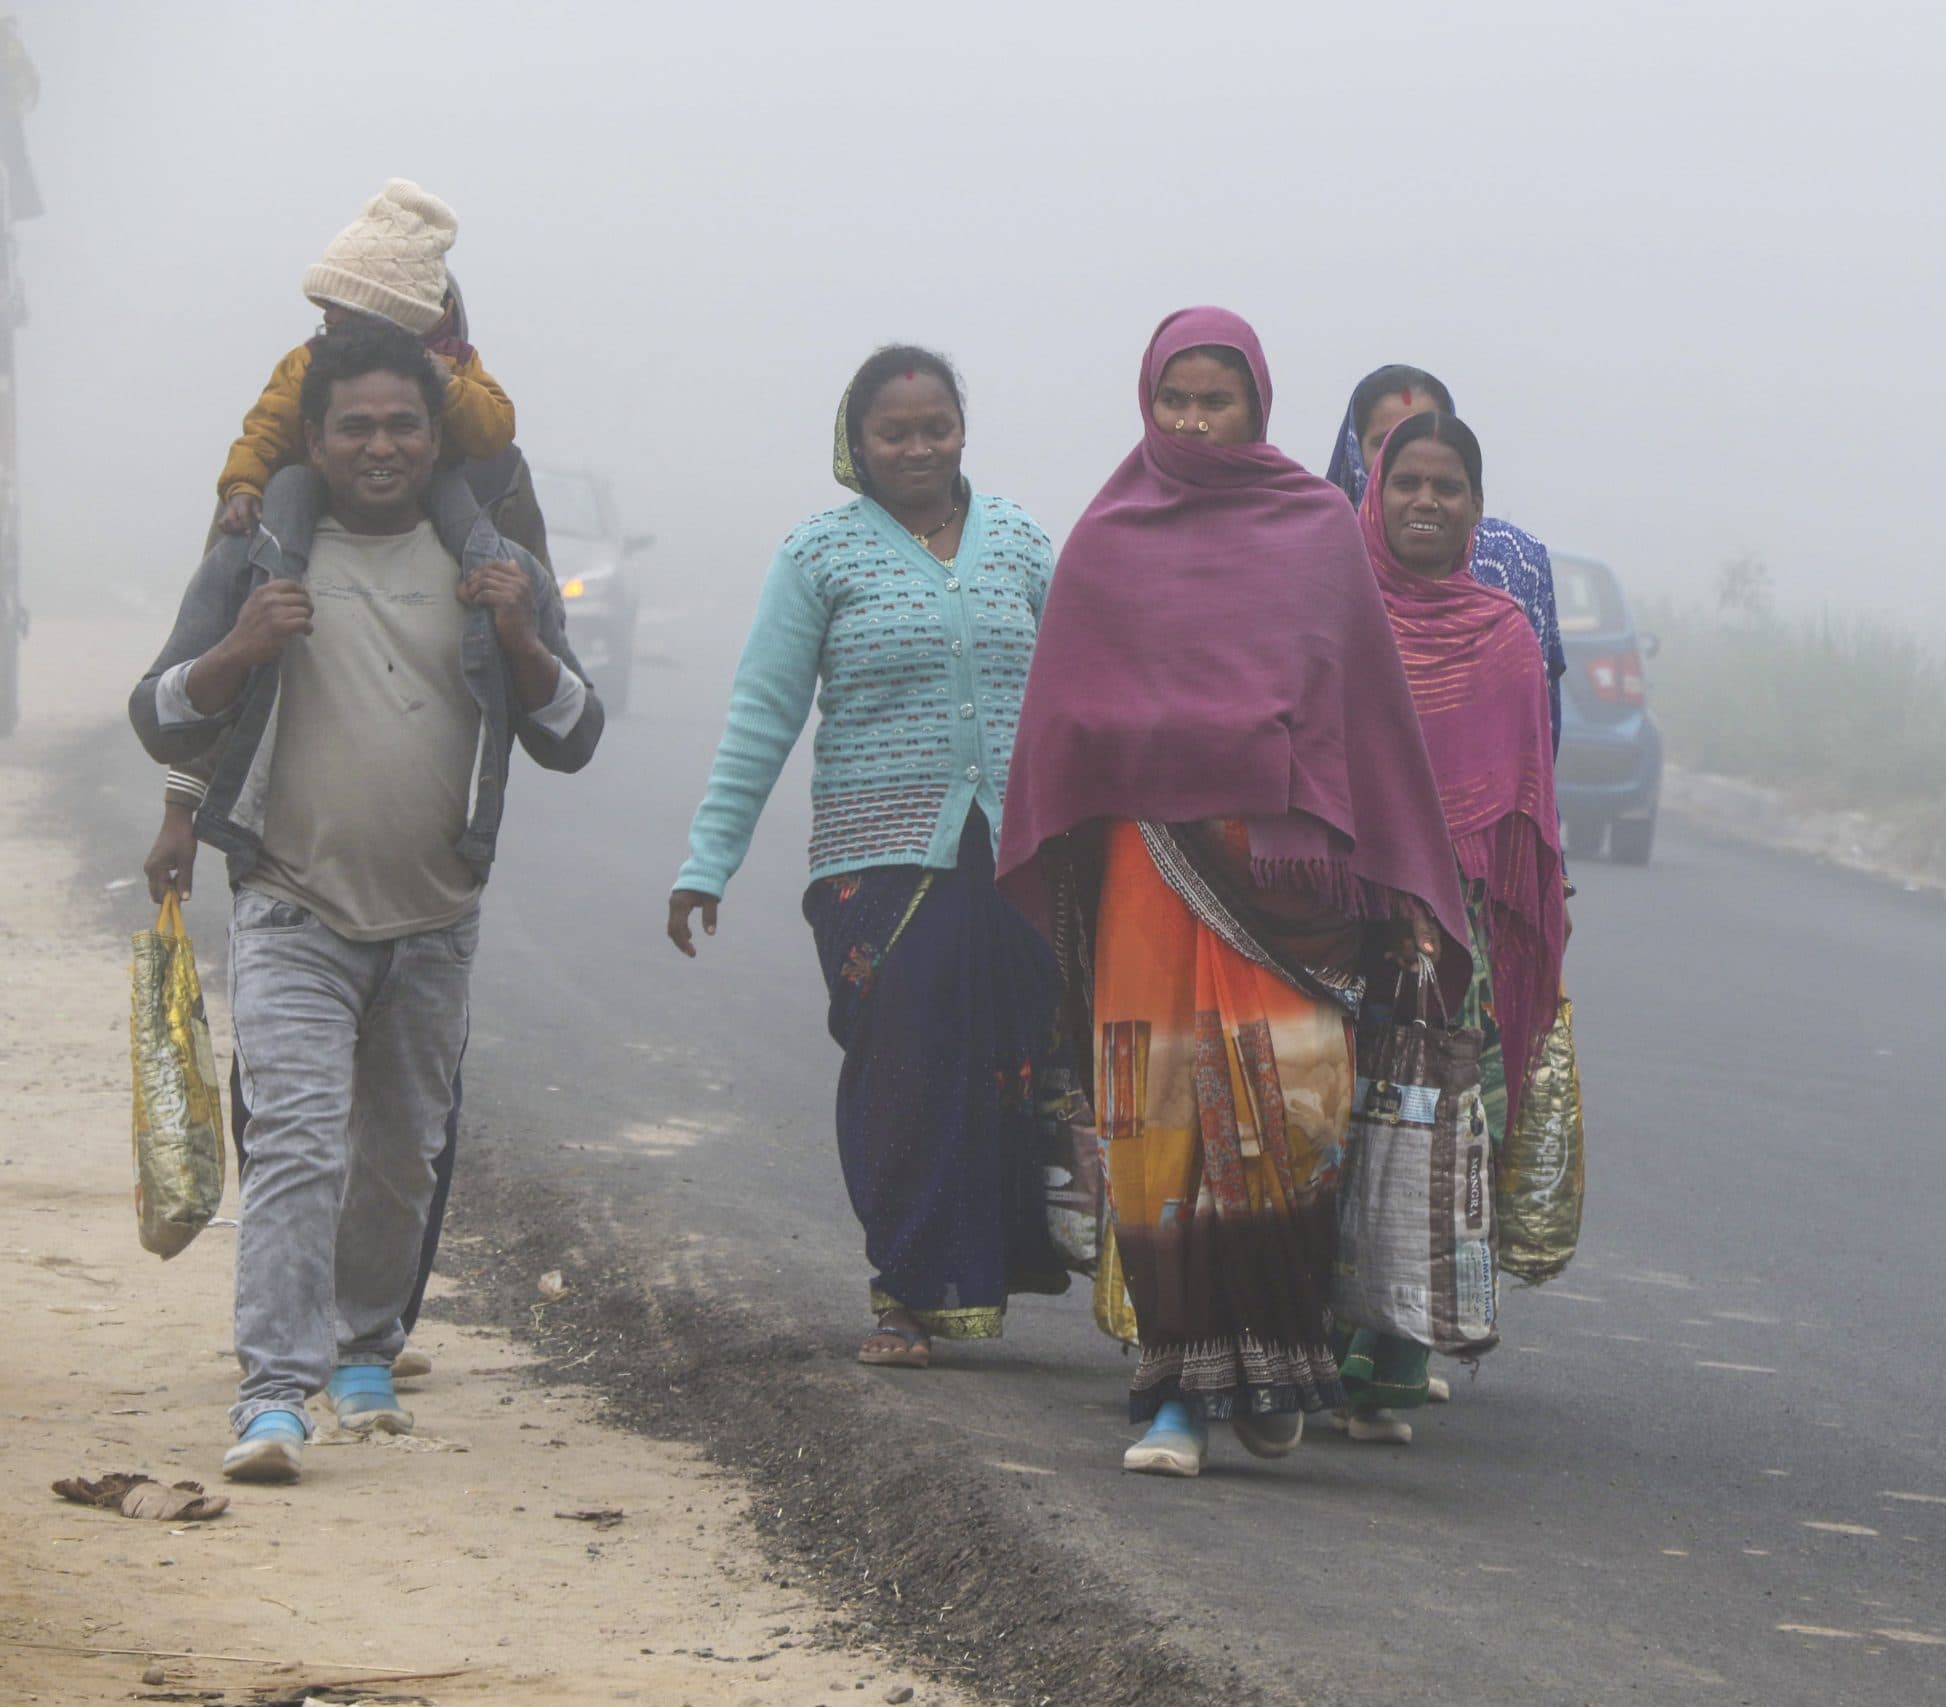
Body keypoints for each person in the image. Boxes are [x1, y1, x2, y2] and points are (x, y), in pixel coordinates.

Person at [998, 306, 1470, 1478]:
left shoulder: (1312, 529)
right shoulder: (1106, 538)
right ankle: (1174, 1393)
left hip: (1287, 891)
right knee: (1157, 1123)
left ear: (1258, 405)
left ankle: (1272, 1365)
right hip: (1148, 877)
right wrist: (1161, 741)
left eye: (1218, 401)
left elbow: (1366, 719)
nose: (1194, 422)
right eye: (1175, 400)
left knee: (1287, 1117)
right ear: (1146, 402)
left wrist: (1407, 880)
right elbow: (1063, 718)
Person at [128, 322, 602, 1483]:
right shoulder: (256, 555)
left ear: (436, 437)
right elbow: (161, 712)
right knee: (295, 1143)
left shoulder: (495, 564)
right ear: (315, 437)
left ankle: (364, 1354)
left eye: (402, 425)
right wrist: (240, 648)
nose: (380, 446)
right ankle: (271, 1394)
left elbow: (575, 733)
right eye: (356, 427)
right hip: (291, 907)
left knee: (399, 1158)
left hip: (435, 923)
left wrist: (522, 638)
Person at [668, 346, 1062, 1369]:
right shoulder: (819, 556)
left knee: (1017, 1063)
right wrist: (708, 861)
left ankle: (989, 1272)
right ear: (857, 441)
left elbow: (1079, 697)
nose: (918, 448)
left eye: (936, 427)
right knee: (906, 1066)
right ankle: (906, 1288)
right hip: (877, 862)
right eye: (894, 432)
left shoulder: (1023, 541)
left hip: (1016, 857)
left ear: (962, 430)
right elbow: (763, 712)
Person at [1334, 410, 1569, 1443]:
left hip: (1453, 932)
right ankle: (1322, 1335)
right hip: (1340, 910)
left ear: (1476, 506)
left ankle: (1396, 1358)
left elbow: (1524, 805)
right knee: (1331, 1121)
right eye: (1407, 483)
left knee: (1434, 1133)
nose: (1426, 501)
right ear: (1373, 494)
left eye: (1448, 486)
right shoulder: (1334, 617)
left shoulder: (1503, 635)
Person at [212, 180, 516, 540]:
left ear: (386, 315)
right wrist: (243, 487)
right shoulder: (309, 363)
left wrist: (450, 388)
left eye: (339, 307)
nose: (327, 317)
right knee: (292, 486)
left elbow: (496, 430)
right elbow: (266, 430)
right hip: (322, 491)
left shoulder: (454, 363)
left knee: (458, 503)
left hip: (432, 485)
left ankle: (483, 567)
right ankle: (275, 569)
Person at [1325, 365, 1566, 745]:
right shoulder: (1320, 561)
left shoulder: (1513, 559)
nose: (1412, 452)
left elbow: (1533, 725)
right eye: (1385, 442)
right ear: (1355, 449)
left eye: (1424, 433)